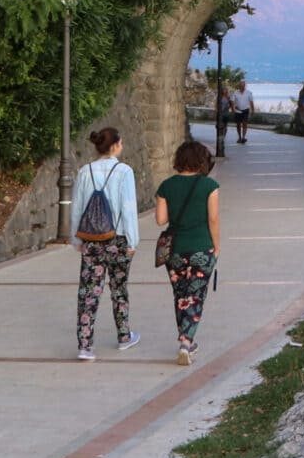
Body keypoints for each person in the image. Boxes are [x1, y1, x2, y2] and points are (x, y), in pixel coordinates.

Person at [72, 125, 140, 361]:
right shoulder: (124, 171)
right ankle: (124, 336)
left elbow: (78, 208)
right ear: (114, 146)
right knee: (119, 288)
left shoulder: (84, 171)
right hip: (117, 239)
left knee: (88, 292)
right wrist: (132, 239)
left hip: (91, 240)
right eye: (120, 143)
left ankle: (85, 345)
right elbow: (128, 208)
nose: (122, 147)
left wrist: (77, 238)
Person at [155, 140, 222, 366]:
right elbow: (213, 219)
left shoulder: (166, 186)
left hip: (175, 250)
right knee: (196, 295)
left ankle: (185, 338)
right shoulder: (209, 185)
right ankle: (186, 341)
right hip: (202, 247)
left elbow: (161, 220)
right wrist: (217, 246)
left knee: (181, 294)